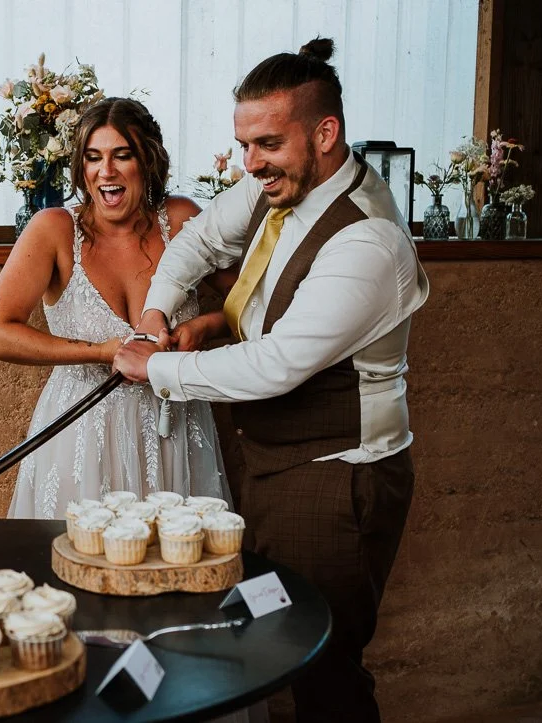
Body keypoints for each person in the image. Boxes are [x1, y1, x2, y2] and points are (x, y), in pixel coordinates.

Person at [114, 38, 430, 723]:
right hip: (265, 460)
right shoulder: (280, 184)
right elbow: (197, 242)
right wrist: (156, 310)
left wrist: (155, 364)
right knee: (269, 645)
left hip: (335, 474)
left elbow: (276, 363)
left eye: (266, 143)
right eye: (243, 143)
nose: (250, 161)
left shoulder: (367, 240)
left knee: (324, 666)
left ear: (324, 134)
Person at [0, 97, 236, 520]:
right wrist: (99, 352)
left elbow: (254, 300)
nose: (106, 172)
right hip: (81, 433)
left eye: (122, 155)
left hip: (175, 426)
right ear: (81, 167)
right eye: (93, 158)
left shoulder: (183, 218)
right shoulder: (54, 229)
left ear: (147, 160)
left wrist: (205, 327)